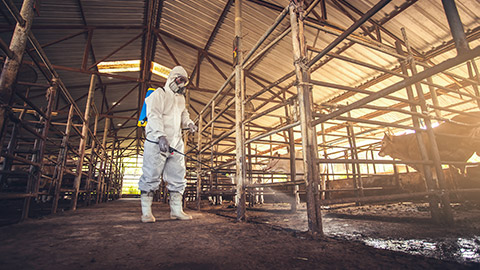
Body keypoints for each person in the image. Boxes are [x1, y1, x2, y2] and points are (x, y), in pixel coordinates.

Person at [138, 66, 197, 223]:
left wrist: (189, 123)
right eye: (180, 80)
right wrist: (160, 136)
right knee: (151, 175)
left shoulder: (180, 99)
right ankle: (146, 213)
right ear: (172, 78)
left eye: (184, 82)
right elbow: (153, 115)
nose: (181, 84)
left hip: (176, 143)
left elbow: (184, 114)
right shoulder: (158, 94)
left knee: (177, 175)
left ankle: (176, 211)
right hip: (157, 142)